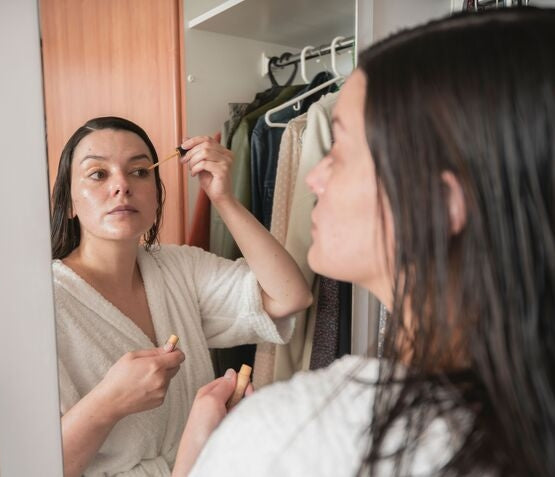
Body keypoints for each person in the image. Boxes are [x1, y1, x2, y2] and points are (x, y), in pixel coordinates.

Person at [172, 8, 555, 477]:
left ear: (437, 202)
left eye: (340, 151)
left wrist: (198, 455)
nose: (313, 178)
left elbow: (289, 295)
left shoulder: (293, 437)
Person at [50, 116, 312, 476]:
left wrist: (223, 199)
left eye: (140, 172)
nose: (122, 186)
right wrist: (109, 402)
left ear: (157, 194)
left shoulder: (179, 268)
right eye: (98, 174)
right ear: (69, 204)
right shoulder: (45, 304)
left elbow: (289, 296)